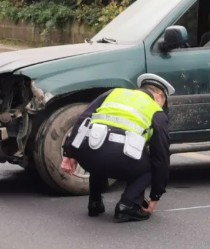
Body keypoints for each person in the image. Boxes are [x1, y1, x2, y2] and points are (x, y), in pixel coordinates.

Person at [60, 74, 174, 223]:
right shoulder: (156, 111)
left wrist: (69, 154)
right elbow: (161, 157)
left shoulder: (113, 93)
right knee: (149, 168)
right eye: (163, 103)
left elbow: (83, 120)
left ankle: (94, 202)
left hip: (87, 154)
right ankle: (127, 206)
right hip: (119, 159)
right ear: (159, 96)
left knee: (99, 146)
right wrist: (155, 197)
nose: (162, 107)